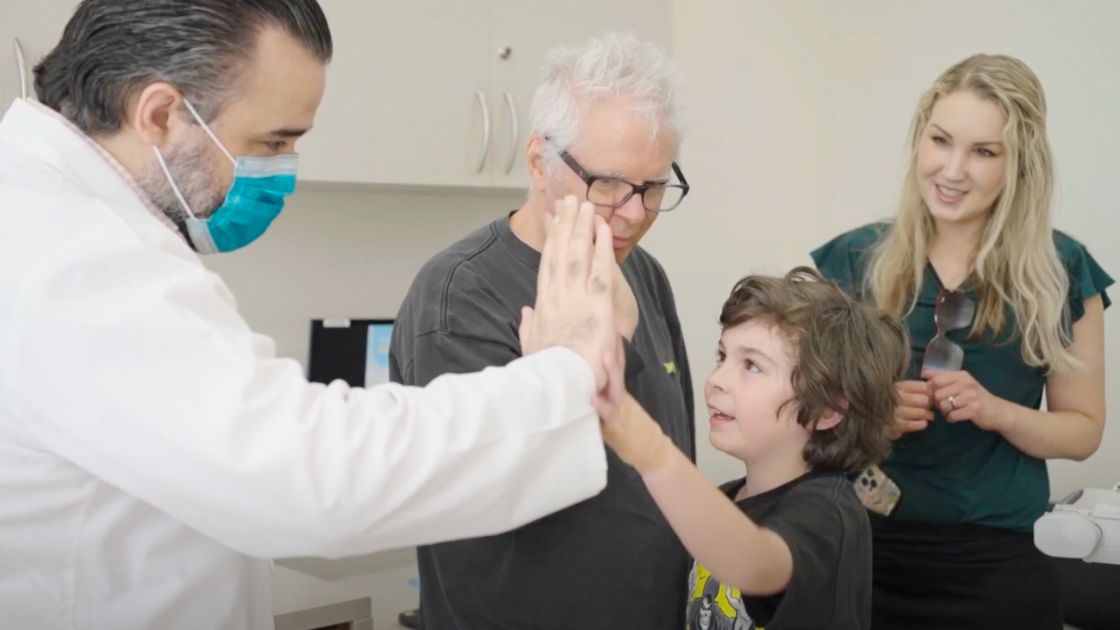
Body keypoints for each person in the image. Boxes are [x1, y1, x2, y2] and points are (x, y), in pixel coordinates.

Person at [0, 2, 628, 628]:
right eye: (271, 141)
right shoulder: (75, 255)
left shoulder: (60, 217)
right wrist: (565, 371)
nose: (282, 174)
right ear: (160, 114)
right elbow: (309, 477)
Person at [390, 33, 695, 629]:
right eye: (607, 183)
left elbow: (668, 452)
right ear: (538, 161)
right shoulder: (459, 296)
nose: (633, 212)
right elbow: (498, 491)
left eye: (654, 187)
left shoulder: (642, 272)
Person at [811, 54, 1112, 628]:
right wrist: (867, 415)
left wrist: (997, 412)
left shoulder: (1062, 272)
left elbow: (1082, 432)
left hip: (999, 567)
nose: (951, 171)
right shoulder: (850, 262)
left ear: (1018, 164)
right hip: (860, 548)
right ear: (919, 139)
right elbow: (795, 415)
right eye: (941, 141)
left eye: (983, 152)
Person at [594, 267, 907, 630]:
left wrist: (650, 450)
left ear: (827, 410)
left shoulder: (828, 512)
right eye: (722, 356)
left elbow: (758, 564)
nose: (716, 381)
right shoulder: (726, 500)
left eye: (752, 366)